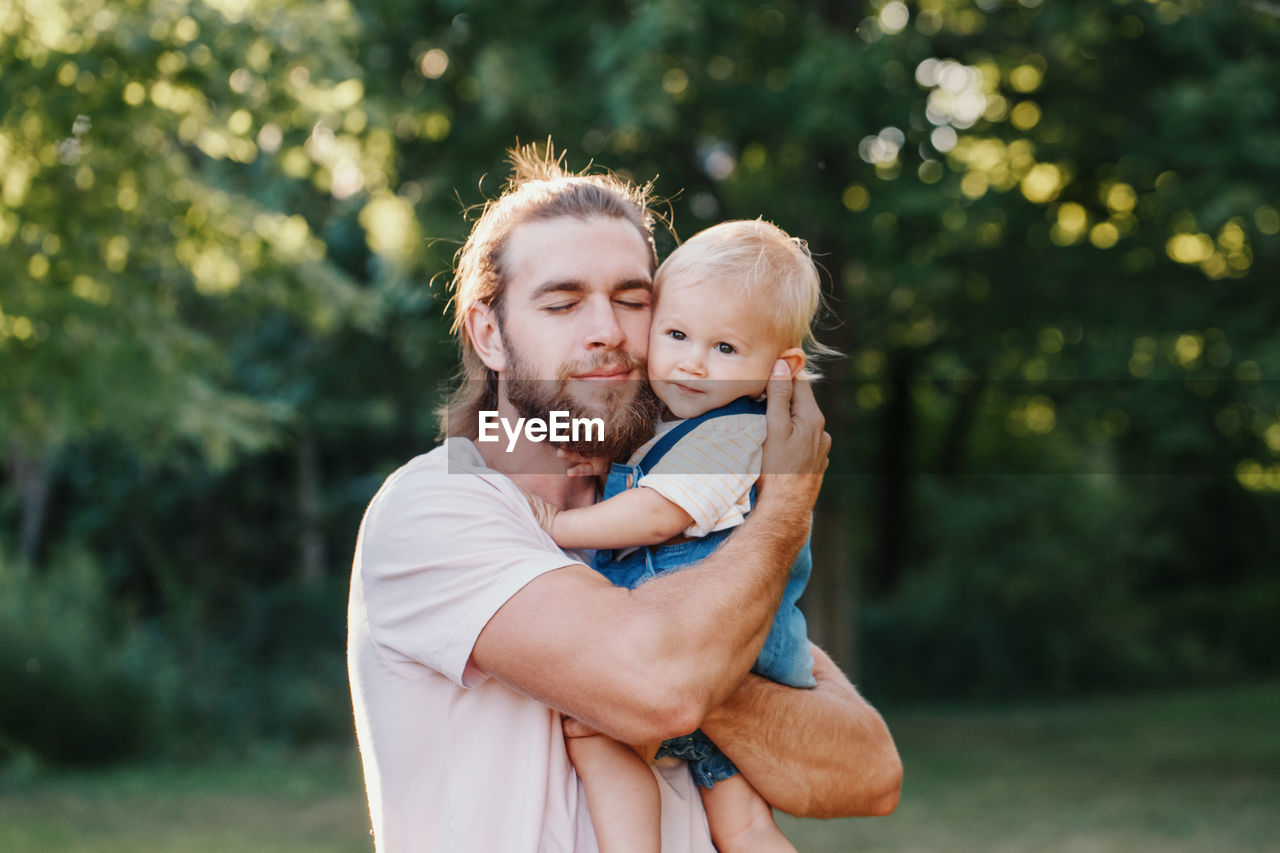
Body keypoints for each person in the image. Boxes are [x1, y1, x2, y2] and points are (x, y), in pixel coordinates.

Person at [347, 144, 901, 852]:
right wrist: (785, 511)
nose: (608, 330)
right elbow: (662, 686)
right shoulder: (436, 507)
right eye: (564, 301)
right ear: (488, 333)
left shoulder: (686, 511)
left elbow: (869, 772)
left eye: (634, 300)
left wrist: (707, 641)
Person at [525, 219, 835, 852]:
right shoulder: (684, 424)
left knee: (597, 733)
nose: (693, 361)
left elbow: (658, 514)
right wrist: (602, 463)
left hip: (707, 647)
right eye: (676, 334)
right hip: (739, 660)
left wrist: (561, 525)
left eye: (725, 349)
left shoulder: (734, 433)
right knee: (743, 824)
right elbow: (648, 473)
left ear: (781, 369)